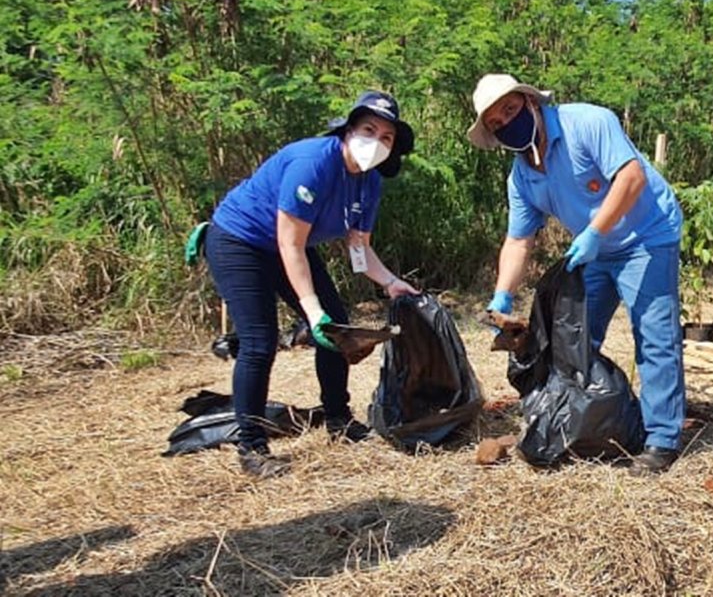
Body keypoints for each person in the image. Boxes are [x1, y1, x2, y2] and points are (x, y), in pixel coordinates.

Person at [467, 74, 685, 476]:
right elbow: (519, 241)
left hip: (647, 236)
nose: (506, 123)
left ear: (531, 102)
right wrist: (502, 296)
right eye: (496, 123)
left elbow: (631, 177)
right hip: (595, 247)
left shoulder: (587, 122)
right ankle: (580, 422)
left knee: (654, 336)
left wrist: (595, 233)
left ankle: (661, 440)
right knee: (573, 337)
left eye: (510, 110)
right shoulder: (522, 176)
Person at [201, 90, 420, 478]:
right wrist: (311, 310)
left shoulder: (368, 183)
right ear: (348, 130)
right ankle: (252, 447)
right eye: (369, 129)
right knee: (259, 340)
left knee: (337, 326)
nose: (376, 141)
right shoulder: (313, 163)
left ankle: (338, 419)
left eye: (386, 137)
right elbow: (290, 243)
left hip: (289, 247)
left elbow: (359, 248)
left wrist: (390, 282)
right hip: (241, 241)